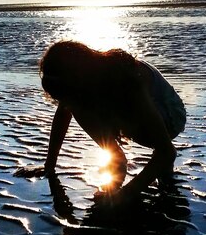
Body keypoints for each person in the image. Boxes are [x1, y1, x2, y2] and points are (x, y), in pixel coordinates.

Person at [18, 40, 186, 205]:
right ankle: (117, 157)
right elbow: (63, 113)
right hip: (132, 116)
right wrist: (49, 166)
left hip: (170, 117)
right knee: (75, 105)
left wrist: (125, 194)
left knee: (163, 154)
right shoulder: (80, 83)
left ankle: (160, 161)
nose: (64, 101)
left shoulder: (126, 80)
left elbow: (168, 152)